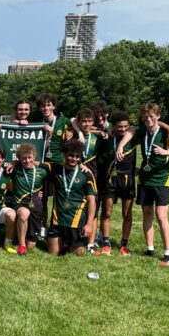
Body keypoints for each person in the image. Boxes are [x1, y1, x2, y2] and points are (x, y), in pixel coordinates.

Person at [115, 103, 169, 266]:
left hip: (161, 180)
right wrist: (120, 145)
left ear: (158, 116)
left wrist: (165, 152)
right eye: (145, 117)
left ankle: (168, 254)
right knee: (147, 214)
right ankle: (150, 249)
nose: (148, 119)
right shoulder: (142, 132)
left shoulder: (167, 133)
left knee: (161, 216)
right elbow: (131, 130)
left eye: (151, 116)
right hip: (144, 180)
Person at [39, 140, 98, 256]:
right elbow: (32, 163)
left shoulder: (86, 173)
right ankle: (64, 242)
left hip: (75, 221)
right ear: (64, 155)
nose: (74, 159)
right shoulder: (55, 169)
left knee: (77, 254)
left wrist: (89, 224)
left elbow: (92, 201)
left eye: (77, 156)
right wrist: (15, 162)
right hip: (57, 220)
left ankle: (68, 242)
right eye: (71, 155)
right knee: (53, 253)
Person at [100, 111, 136, 256]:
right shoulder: (108, 138)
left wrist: (121, 145)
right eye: (120, 127)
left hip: (127, 179)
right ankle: (106, 243)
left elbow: (134, 129)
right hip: (110, 179)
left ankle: (123, 244)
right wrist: (107, 132)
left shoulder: (133, 137)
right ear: (113, 126)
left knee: (126, 214)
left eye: (125, 126)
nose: (123, 129)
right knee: (107, 212)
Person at [69, 108, 104, 255]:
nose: (87, 124)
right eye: (84, 121)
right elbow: (71, 118)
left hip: (93, 174)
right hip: (76, 174)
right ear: (79, 122)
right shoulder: (73, 135)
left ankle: (90, 243)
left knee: (93, 208)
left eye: (90, 121)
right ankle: (72, 237)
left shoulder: (99, 138)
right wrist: (78, 132)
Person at [37, 93, 71, 242]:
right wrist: (49, 137)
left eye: (49, 104)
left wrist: (74, 131)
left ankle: (57, 226)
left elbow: (78, 122)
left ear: (54, 106)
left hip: (58, 165)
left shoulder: (63, 121)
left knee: (59, 198)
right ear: (39, 108)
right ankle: (43, 229)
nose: (46, 108)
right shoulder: (36, 123)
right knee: (42, 199)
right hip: (43, 165)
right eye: (43, 105)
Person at [7, 143, 48, 256]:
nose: (27, 161)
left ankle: (25, 237)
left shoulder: (42, 172)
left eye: (29, 157)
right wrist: (14, 163)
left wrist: (41, 192)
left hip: (36, 207)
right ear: (19, 159)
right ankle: (21, 245)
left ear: (34, 157)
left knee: (31, 245)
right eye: (24, 158)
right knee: (24, 213)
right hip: (20, 204)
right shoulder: (15, 169)